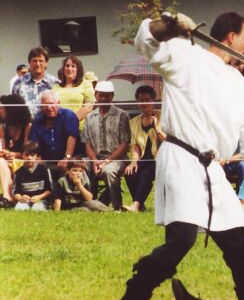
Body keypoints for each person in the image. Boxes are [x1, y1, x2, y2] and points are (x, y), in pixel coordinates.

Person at [109, 11, 244, 300]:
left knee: (240, 239)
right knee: (182, 238)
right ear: (230, 36)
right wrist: (169, 25)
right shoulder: (187, 57)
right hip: (180, 157)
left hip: (211, 167)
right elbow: (145, 39)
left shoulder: (242, 87)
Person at [82, 80, 131, 210]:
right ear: (96, 96)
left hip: (117, 158)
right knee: (81, 165)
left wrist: (107, 161)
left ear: (112, 96)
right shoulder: (90, 117)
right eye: (101, 95)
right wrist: (94, 161)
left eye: (107, 95)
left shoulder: (122, 115)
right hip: (96, 158)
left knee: (108, 171)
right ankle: (90, 202)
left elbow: (125, 144)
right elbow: (87, 143)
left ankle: (117, 206)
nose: (103, 98)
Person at [123, 85, 166, 212]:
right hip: (143, 158)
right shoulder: (133, 122)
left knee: (146, 173)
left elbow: (169, 141)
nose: (144, 103)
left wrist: (157, 129)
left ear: (154, 100)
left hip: (161, 159)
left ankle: (136, 205)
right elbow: (135, 145)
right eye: (141, 100)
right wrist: (134, 162)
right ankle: (139, 205)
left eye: (147, 100)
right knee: (130, 172)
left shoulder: (163, 117)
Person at [29, 89, 80, 172]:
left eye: (51, 103)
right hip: (46, 161)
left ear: (58, 103)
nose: (49, 107)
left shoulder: (68, 115)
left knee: (67, 168)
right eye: (45, 105)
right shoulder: (37, 120)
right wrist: (38, 157)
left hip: (69, 159)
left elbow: (72, 137)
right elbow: (34, 142)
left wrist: (67, 157)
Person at [0, 94, 31, 206]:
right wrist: (5, 153)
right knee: (1, 161)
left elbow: (28, 151)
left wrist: (16, 155)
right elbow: (5, 150)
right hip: (9, 161)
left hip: (23, 159)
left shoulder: (27, 126)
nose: (1, 111)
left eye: (3, 108)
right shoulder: (4, 128)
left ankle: (10, 197)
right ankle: (6, 196)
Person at [12, 46, 59, 114]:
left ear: (46, 63)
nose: (37, 64)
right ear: (29, 63)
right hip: (25, 120)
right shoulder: (19, 82)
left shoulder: (55, 83)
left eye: (41, 61)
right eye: (34, 61)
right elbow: (13, 107)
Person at [54, 55, 95, 130]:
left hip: (80, 129)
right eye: (67, 66)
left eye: (73, 66)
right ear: (63, 68)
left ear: (78, 69)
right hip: (60, 129)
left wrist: (70, 122)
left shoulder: (86, 84)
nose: (69, 69)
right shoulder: (55, 87)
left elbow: (88, 107)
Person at [12, 141, 53, 211]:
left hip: (41, 200)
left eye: (32, 155)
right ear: (22, 155)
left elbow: (50, 190)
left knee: (37, 209)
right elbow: (15, 192)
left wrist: (39, 197)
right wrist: (20, 198)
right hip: (24, 201)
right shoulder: (18, 172)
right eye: (26, 155)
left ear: (37, 156)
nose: (29, 158)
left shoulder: (44, 170)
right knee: (19, 209)